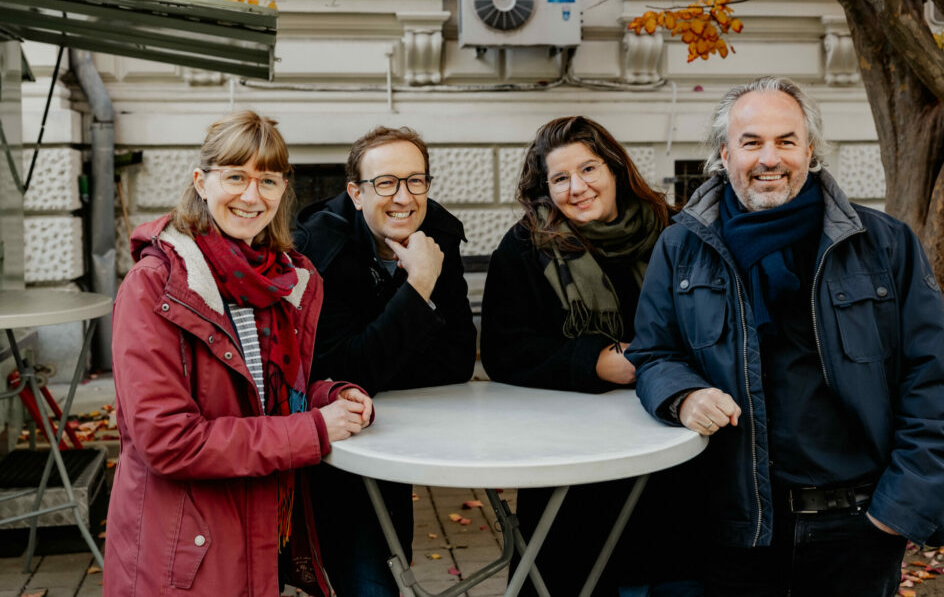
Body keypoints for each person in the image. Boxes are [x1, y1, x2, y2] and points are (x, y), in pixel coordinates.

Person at [627, 76, 944, 596]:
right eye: (751, 142)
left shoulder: (884, 244)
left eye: (786, 141)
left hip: (857, 527)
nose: (770, 158)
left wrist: (899, 510)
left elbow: (935, 382)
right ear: (725, 153)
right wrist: (684, 394)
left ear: (810, 150)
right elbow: (654, 353)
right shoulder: (681, 247)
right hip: (734, 525)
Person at [104, 111, 374, 597]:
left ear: (283, 189)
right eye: (235, 177)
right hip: (183, 551)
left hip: (256, 529)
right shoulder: (154, 286)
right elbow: (168, 439)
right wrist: (313, 430)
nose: (252, 196)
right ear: (201, 182)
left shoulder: (282, 280)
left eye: (267, 180)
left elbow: (267, 398)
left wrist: (328, 398)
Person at [481, 116, 704, 596]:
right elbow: (505, 352)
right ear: (545, 188)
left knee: (670, 573)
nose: (577, 188)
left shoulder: (673, 231)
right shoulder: (526, 247)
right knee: (577, 576)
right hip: (575, 463)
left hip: (670, 443)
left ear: (615, 169)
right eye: (560, 178)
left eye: (588, 169)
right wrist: (593, 361)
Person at [294, 125, 476, 595]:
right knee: (367, 574)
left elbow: (457, 362)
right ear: (357, 193)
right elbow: (340, 372)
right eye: (386, 182)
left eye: (416, 181)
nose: (404, 197)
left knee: (392, 561)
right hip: (341, 448)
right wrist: (418, 285)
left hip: (402, 431)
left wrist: (377, 358)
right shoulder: (320, 248)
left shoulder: (438, 234)